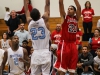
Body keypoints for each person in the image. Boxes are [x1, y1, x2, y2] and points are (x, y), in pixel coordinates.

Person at [54, 0, 81, 75]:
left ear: (75, 12)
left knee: (72, 68)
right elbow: (60, 3)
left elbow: (79, 7)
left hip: (73, 44)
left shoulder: (76, 18)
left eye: (71, 9)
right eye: (68, 9)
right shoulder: (64, 17)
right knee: (63, 68)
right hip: (65, 43)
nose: (69, 10)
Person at [24, 0, 51, 75]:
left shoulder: (29, 22)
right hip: (45, 52)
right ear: (39, 14)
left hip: (35, 53)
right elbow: (47, 5)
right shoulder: (44, 21)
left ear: (31, 16)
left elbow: (26, 10)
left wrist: (25, 2)